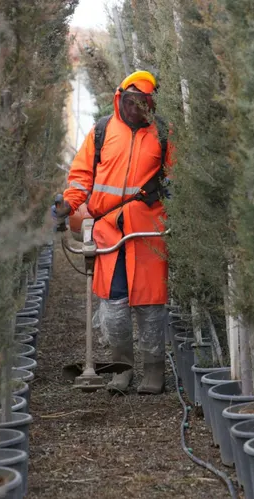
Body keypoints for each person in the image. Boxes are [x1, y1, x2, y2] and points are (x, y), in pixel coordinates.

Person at [53, 70, 173, 394]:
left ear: (151, 104)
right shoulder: (102, 131)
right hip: (109, 231)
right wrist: (68, 204)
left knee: (150, 306)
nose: (135, 109)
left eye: (143, 103)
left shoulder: (163, 134)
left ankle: (154, 371)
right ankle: (122, 369)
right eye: (131, 102)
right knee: (114, 305)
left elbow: (175, 179)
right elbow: (81, 177)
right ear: (120, 99)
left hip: (147, 233)